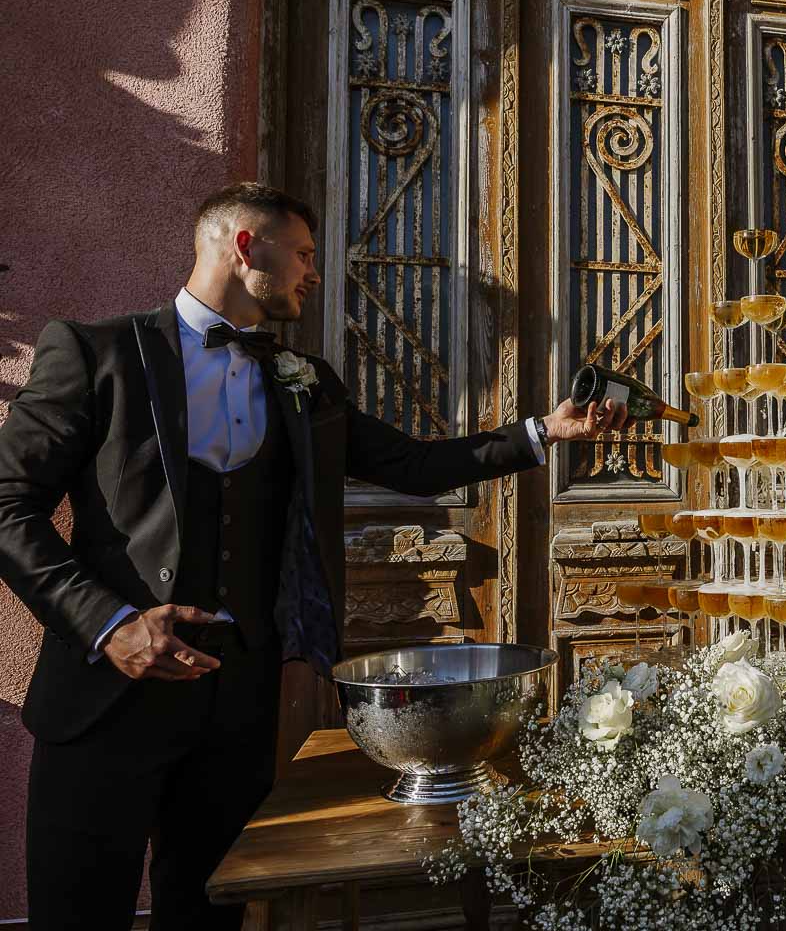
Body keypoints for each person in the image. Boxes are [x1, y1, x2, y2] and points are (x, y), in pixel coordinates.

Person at [0, 182, 628, 930]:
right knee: (76, 914)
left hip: (236, 702)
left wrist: (544, 432)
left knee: (207, 913)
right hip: (104, 699)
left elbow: (412, 465)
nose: (313, 272)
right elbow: (8, 507)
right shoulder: (97, 354)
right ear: (244, 247)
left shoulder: (303, 381)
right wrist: (111, 625)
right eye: (300, 253)